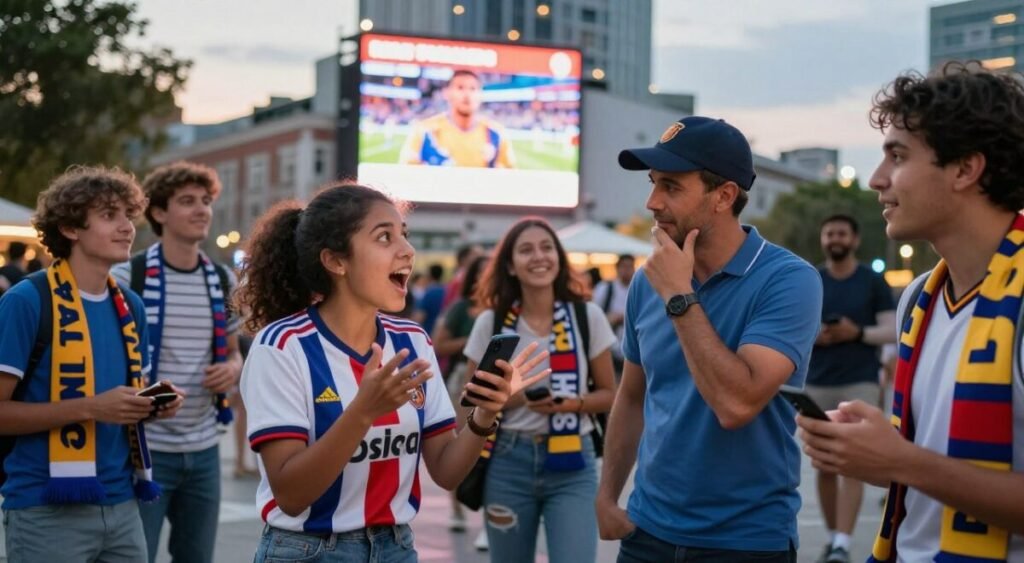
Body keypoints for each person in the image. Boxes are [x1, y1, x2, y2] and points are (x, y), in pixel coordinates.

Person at [236, 183, 551, 562]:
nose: (407, 250)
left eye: (404, 234)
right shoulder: (282, 346)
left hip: (395, 547)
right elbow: (291, 494)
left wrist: (487, 413)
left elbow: (447, 473)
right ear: (336, 261)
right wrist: (362, 412)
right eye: (384, 237)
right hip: (307, 550)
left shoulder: (413, 341)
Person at [799, 62, 1024, 562]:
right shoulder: (920, 296)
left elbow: (915, 466)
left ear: (966, 169)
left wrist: (902, 462)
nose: (878, 180)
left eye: (897, 156)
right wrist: (873, 449)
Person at [596, 116, 822, 562]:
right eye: (653, 183)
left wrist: (679, 296)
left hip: (745, 541)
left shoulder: (789, 280)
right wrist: (607, 495)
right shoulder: (650, 281)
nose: (652, 202)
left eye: (672, 187)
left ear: (724, 196)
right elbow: (632, 397)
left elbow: (736, 404)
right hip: (647, 531)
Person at [0, 166, 184, 563]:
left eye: (128, 216)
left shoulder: (130, 305)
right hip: (44, 509)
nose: (126, 227)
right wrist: (90, 407)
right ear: (70, 228)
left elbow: (119, 407)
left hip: (123, 504)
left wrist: (151, 405)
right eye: (108, 215)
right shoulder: (26, 302)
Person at [110, 161, 244, 563]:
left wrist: (232, 369)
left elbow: (235, 352)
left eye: (205, 201)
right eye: (187, 201)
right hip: (144, 450)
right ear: (159, 213)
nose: (202, 209)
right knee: (137, 556)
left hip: (204, 448)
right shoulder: (127, 274)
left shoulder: (222, 280)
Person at [464, 216, 617, 563]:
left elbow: (611, 394)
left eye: (547, 248)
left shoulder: (586, 316)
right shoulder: (491, 322)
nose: (539, 257)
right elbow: (470, 403)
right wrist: (514, 397)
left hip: (573, 464)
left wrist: (570, 403)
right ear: (510, 265)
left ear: (560, 259)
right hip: (507, 459)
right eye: (526, 250)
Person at [807, 213, 896, 563]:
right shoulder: (811, 278)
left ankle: (843, 542)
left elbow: (892, 330)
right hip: (817, 381)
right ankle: (833, 536)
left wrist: (855, 333)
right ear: (822, 239)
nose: (835, 238)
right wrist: (818, 335)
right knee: (824, 465)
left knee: (853, 463)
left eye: (842, 232)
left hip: (860, 380)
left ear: (855, 239)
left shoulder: (872, 281)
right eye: (829, 233)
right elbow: (795, 326)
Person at [431, 254, 490, 534]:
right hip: (460, 381)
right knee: (460, 446)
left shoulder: (506, 308)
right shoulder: (460, 308)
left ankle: (490, 518)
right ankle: (456, 508)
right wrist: (473, 340)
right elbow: (439, 344)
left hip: (500, 386)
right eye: (480, 271)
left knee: (491, 452)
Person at [399, 69, 516, 168]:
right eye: (460, 88)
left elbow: (509, 179)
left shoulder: (496, 134)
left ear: (481, 95)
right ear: (446, 93)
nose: (467, 94)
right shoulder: (425, 131)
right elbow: (407, 175)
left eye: (473, 89)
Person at [591, 254, 636, 379]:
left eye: (630, 267)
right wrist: (610, 318)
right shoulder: (604, 288)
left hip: (633, 346)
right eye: (624, 266)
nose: (627, 270)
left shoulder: (638, 288)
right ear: (617, 268)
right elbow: (593, 316)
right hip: (610, 346)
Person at [412, 263, 446, 335]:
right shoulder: (446, 290)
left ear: (429, 275)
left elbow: (420, 317)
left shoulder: (429, 293)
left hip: (428, 334)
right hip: (441, 334)